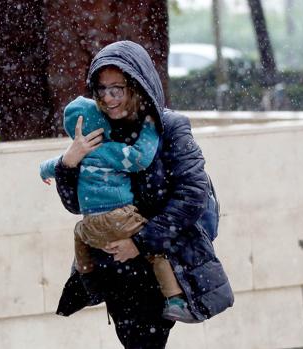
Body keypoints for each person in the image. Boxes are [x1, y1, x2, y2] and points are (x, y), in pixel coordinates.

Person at [53, 40, 234, 349]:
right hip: (116, 268)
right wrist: (68, 163)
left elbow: (191, 195)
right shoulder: (99, 133)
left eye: (117, 88)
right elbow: (75, 205)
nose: (108, 99)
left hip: (160, 262)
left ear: (136, 86)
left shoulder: (170, 128)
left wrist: (139, 242)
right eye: (101, 90)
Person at [40, 96, 195, 322]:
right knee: (155, 253)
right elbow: (141, 157)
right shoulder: (110, 150)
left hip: (90, 224)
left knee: (78, 235)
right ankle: (175, 299)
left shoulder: (75, 156)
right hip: (120, 217)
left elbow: (49, 166)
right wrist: (150, 127)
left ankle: (86, 276)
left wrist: (44, 173)